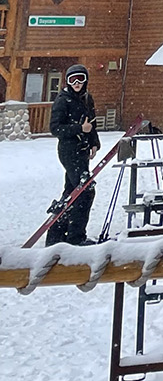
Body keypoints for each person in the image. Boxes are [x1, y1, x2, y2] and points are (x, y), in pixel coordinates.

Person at [48, 64, 101, 246]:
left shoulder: (87, 99)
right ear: (67, 82)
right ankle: (76, 237)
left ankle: (56, 235)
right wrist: (79, 129)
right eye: (72, 80)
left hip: (82, 150)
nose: (77, 83)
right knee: (85, 191)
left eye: (80, 79)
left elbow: (91, 123)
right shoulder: (63, 100)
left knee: (72, 192)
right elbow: (55, 128)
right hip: (69, 150)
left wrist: (94, 142)